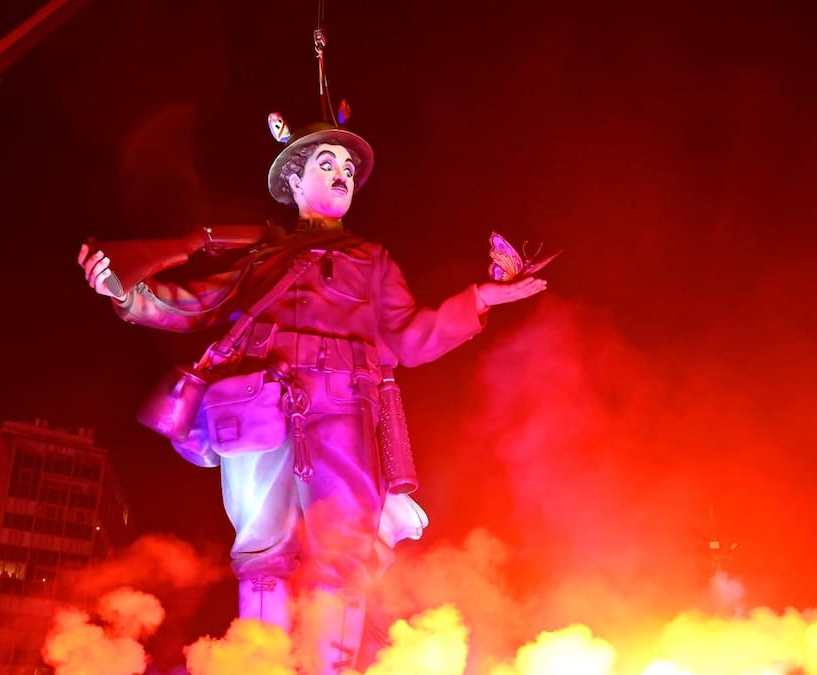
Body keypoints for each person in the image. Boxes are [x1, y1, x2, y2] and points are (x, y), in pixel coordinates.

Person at [77, 122, 545, 673]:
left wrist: (479, 298)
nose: (341, 175)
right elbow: (193, 303)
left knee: (343, 555)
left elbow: (410, 338)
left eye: (347, 170)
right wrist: (127, 293)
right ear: (294, 182)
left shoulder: (372, 259)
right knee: (261, 552)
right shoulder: (261, 255)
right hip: (258, 408)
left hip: (346, 407)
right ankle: (258, 666)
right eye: (326, 164)